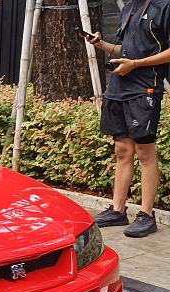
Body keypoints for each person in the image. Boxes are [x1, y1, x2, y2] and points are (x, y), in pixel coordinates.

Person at [83, 0, 170, 238]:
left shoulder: (164, 6)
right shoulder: (130, 7)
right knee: (122, 150)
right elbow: (126, 50)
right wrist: (101, 44)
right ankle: (118, 210)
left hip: (145, 88)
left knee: (144, 151)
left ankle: (146, 215)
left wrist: (137, 64)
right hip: (119, 88)